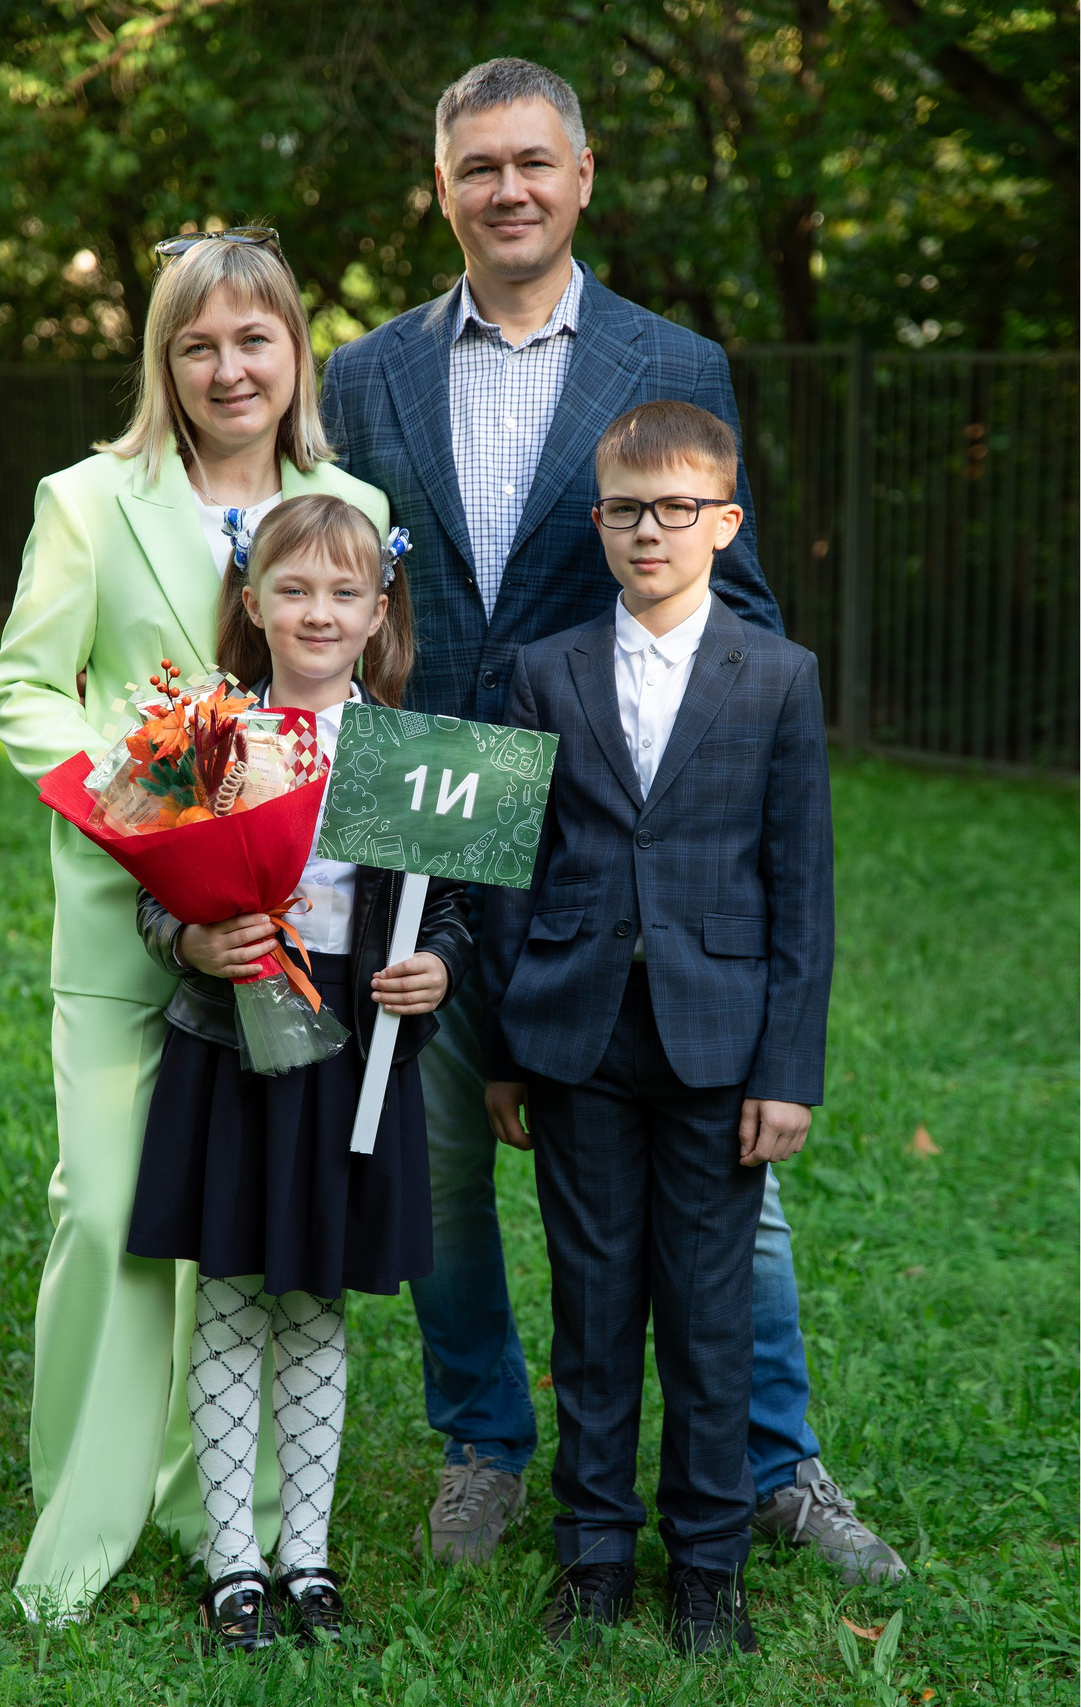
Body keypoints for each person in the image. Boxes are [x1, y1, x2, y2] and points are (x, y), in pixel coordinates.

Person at [318, 55, 902, 1582]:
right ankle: (484, 1444)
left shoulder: (673, 356)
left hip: (619, 830)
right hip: (433, 805)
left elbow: (738, 595)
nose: (507, 189)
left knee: (725, 1178)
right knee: (444, 1156)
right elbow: (329, 588)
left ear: (583, 179)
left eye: (534, 162)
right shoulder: (365, 371)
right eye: (477, 168)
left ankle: (774, 1463)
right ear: (439, 189)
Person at [0, 232, 391, 1623]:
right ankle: (88, 1494)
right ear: (166, 360)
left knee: (266, 1220)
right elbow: (24, 688)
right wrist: (149, 805)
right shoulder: (88, 499)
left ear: (295, 354)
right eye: (199, 344)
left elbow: (376, 714)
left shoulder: (351, 503)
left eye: (254, 340)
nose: (230, 368)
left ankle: (252, 1521)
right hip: (132, 919)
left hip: (302, 945)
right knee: (108, 1212)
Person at [484, 398, 833, 1656]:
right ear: (599, 522)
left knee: (702, 1313)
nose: (650, 531)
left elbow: (803, 892)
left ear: (722, 523)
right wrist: (517, 1040)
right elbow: (513, 871)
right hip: (575, 1036)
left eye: (677, 510)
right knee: (591, 1302)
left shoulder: (775, 679)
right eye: (627, 510)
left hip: (718, 1043)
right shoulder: (546, 671)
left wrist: (785, 1071)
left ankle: (706, 1563)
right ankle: (590, 1555)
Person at [127, 496, 472, 1652]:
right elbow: (148, 892)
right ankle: (234, 1565)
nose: (317, 612)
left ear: (379, 614)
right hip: (232, 1051)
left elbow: (457, 912)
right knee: (229, 1294)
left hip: (350, 1064)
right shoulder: (205, 738)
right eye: (293, 589)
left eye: (343, 593)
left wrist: (436, 967)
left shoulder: (414, 753)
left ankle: (305, 1556)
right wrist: (192, 943)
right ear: (251, 601)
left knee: (314, 1301)